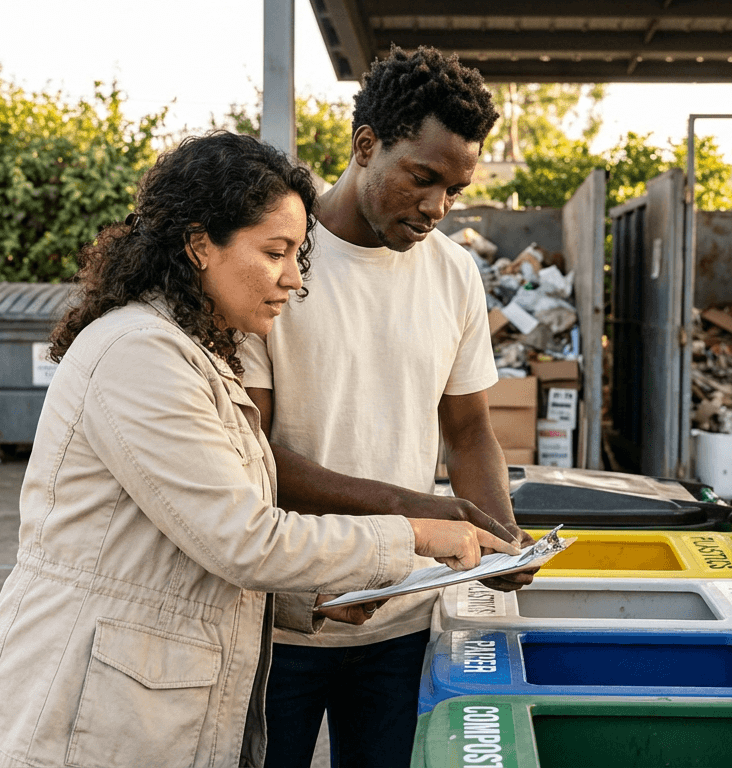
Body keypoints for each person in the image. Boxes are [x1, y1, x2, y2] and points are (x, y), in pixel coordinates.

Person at [0, 131, 517, 768]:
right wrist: (414, 534)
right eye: (275, 252)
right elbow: (245, 539)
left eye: (297, 255)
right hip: (74, 724)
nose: (293, 279)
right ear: (199, 246)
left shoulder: (197, 357)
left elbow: (199, 542)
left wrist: (312, 601)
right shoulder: (139, 355)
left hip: (126, 711)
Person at [242, 47, 531, 768]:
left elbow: (468, 432)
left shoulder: (455, 274)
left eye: (456, 190)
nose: (437, 207)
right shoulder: (279, 260)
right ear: (365, 145)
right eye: (423, 178)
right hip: (281, 620)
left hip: (403, 620)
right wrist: (419, 514)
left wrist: (497, 534)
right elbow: (248, 456)